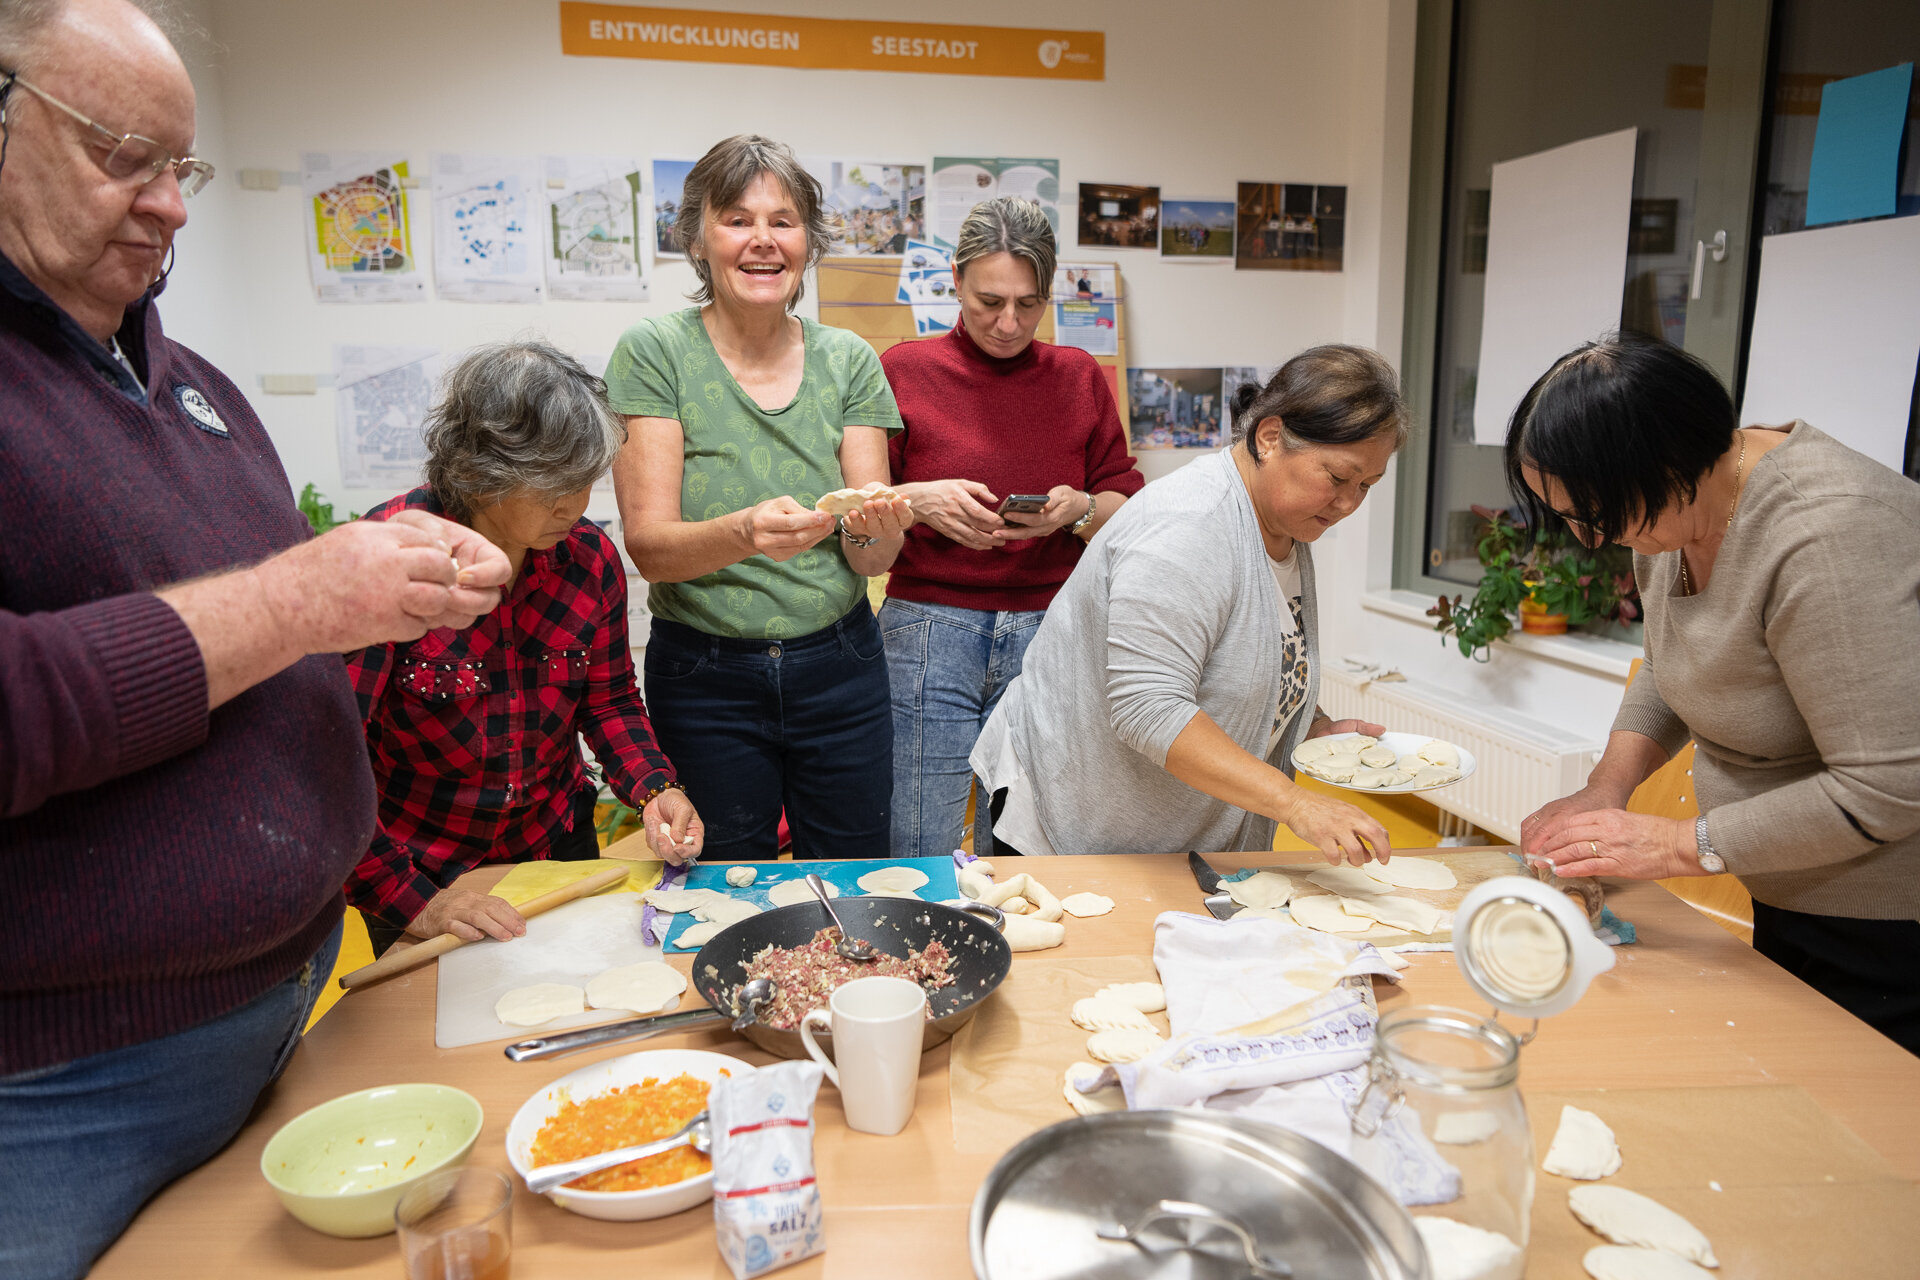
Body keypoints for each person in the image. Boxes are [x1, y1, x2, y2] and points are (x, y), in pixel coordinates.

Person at [0, 3, 510, 1276]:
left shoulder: (196, 386)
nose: (170, 206)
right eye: (123, 156)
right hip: (68, 1090)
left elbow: (252, 628)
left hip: (288, 1013)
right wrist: (295, 600)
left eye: (183, 167)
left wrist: (385, 584)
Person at [1509, 333, 1920, 1053]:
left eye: (1595, 515)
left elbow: (1886, 787)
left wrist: (1674, 843)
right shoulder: (1673, 511)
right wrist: (1607, 788)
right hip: (1787, 876)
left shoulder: (1828, 537)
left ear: (1668, 469)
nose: (1593, 540)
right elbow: (1674, 662)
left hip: (1886, 919)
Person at [973, 346, 1405, 863]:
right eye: (1337, 478)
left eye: (1366, 486)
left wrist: (1311, 726)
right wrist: (1295, 803)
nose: (1349, 503)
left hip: (1164, 833)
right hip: (1067, 818)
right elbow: (1148, 707)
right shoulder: (1190, 526)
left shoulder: (1285, 521)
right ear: (1270, 438)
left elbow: (1241, 666)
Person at [345, 342, 703, 957]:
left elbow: (609, 701)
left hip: (553, 845)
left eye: (583, 482)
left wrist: (654, 788)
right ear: (481, 470)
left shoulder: (587, 558)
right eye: (552, 485)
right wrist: (417, 901)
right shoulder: (385, 558)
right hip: (422, 867)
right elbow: (330, 760)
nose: (574, 505)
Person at [608, 134, 910, 861]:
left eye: (783, 221)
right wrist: (745, 531)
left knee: (854, 880)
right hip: (705, 678)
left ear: (809, 241)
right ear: (696, 238)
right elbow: (651, 550)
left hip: (841, 668)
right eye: (738, 220)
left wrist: (880, 527)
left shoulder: (850, 359)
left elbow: (871, 560)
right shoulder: (653, 352)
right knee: (719, 886)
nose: (763, 241)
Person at [879, 196, 1145, 858]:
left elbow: (1129, 507)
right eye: (989, 301)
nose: (1008, 322)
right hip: (928, 627)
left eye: (1028, 304)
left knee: (1026, 842)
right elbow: (862, 505)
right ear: (955, 282)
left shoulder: (1077, 376)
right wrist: (920, 501)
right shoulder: (903, 370)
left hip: (1050, 627)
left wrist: (1077, 510)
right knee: (918, 839)